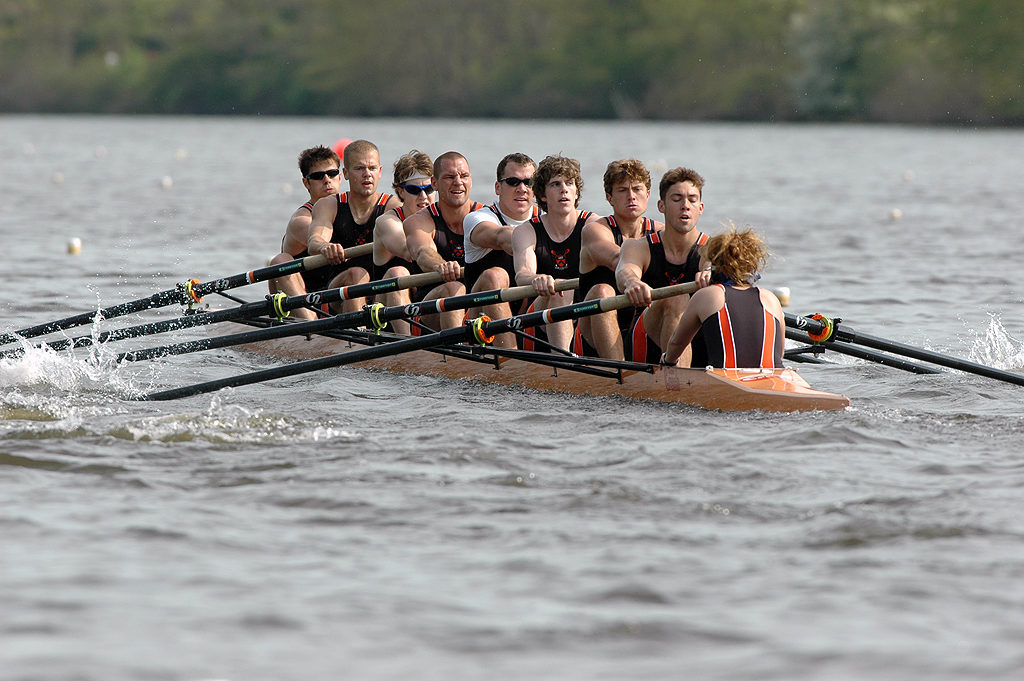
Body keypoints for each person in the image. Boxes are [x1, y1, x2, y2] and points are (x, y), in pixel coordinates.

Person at [615, 167, 712, 365]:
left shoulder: (712, 248)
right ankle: (677, 381)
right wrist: (633, 283)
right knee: (676, 298)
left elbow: (713, 263)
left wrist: (711, 272)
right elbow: (625, 270)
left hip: (698, 340)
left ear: (700, 208)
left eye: (692, 200)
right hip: (645, 342)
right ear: (662, 206)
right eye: (677, 199)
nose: (685, 206)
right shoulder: (638, 246)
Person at [661, 225, 784, 368]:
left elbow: (677, 342)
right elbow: (779, 353)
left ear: (715, 264)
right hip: (773, 377)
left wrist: (668, 361)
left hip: (725, 380)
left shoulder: (707, 295)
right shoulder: (770, 298)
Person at [574, 159, 663, 359]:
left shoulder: (661, 232)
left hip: (643, 327)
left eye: (637, 189)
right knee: (603, 291)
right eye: (622, 190)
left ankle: (678, 372)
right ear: (609, 197)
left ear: (648, 194)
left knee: (677, 299)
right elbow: (619, 259)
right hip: (592, 336)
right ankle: (618, 371)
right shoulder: (595, 230)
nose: (631, 196)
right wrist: (632, 281)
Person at [511, 154, 598, 352]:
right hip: (540, 313)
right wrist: (537, 278)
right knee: (560, 290)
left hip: (584, 312)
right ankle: (565, 363)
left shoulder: (593, 225)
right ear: (542, 195)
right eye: (556, 184)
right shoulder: (527, 231)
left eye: (569, 183)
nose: (564, 189)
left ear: (576, 193)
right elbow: (522, 274)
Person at [307, 139, 401, 313]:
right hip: (338, 293)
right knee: (356, 274)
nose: (367, 174)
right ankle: (357, 333)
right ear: (346, 173)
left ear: (380, 172)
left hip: (380, 294)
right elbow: (314, 241)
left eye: (372, 168)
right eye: (359, 169)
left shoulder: (393, 206)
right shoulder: (329, 205)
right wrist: (325, 246)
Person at [462, 152, 539, 348]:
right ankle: (510, 356)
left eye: (528, 182)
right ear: (498, 187)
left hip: (529, 315)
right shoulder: (479, 219)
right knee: (495, 276)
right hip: (479, 323)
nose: (522, 189)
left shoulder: (548, 219)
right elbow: (502, 237)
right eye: (513, 182)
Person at [402, 151, 482, 331]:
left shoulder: (485, 216)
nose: (458, 182)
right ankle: (457, 353)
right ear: (434, 183)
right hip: (431, 309)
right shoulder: (418, 221)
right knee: (453, 288)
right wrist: (441, 265)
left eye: (464, 176)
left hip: (476, 301)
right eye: (450, 177)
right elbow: (423, 252)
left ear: (470, 180)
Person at [267, 145, 342, 320]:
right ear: (306, 183)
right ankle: (311, 328)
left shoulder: (351, 211)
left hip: (337, 295)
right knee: (280, 261)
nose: (327, 180)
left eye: (332, 173)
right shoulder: (301, 220)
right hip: (304, 302)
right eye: (318, 176)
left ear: (340, 176)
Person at [371, 150, 435, 335]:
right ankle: (407, 343)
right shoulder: (387, 222)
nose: (423, 197)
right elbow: (410, 251)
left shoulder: (442, 220)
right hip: (386, 312)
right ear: (400, 192)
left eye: (429, 189)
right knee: (398, 273)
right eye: (414, 190)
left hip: (425, 305)